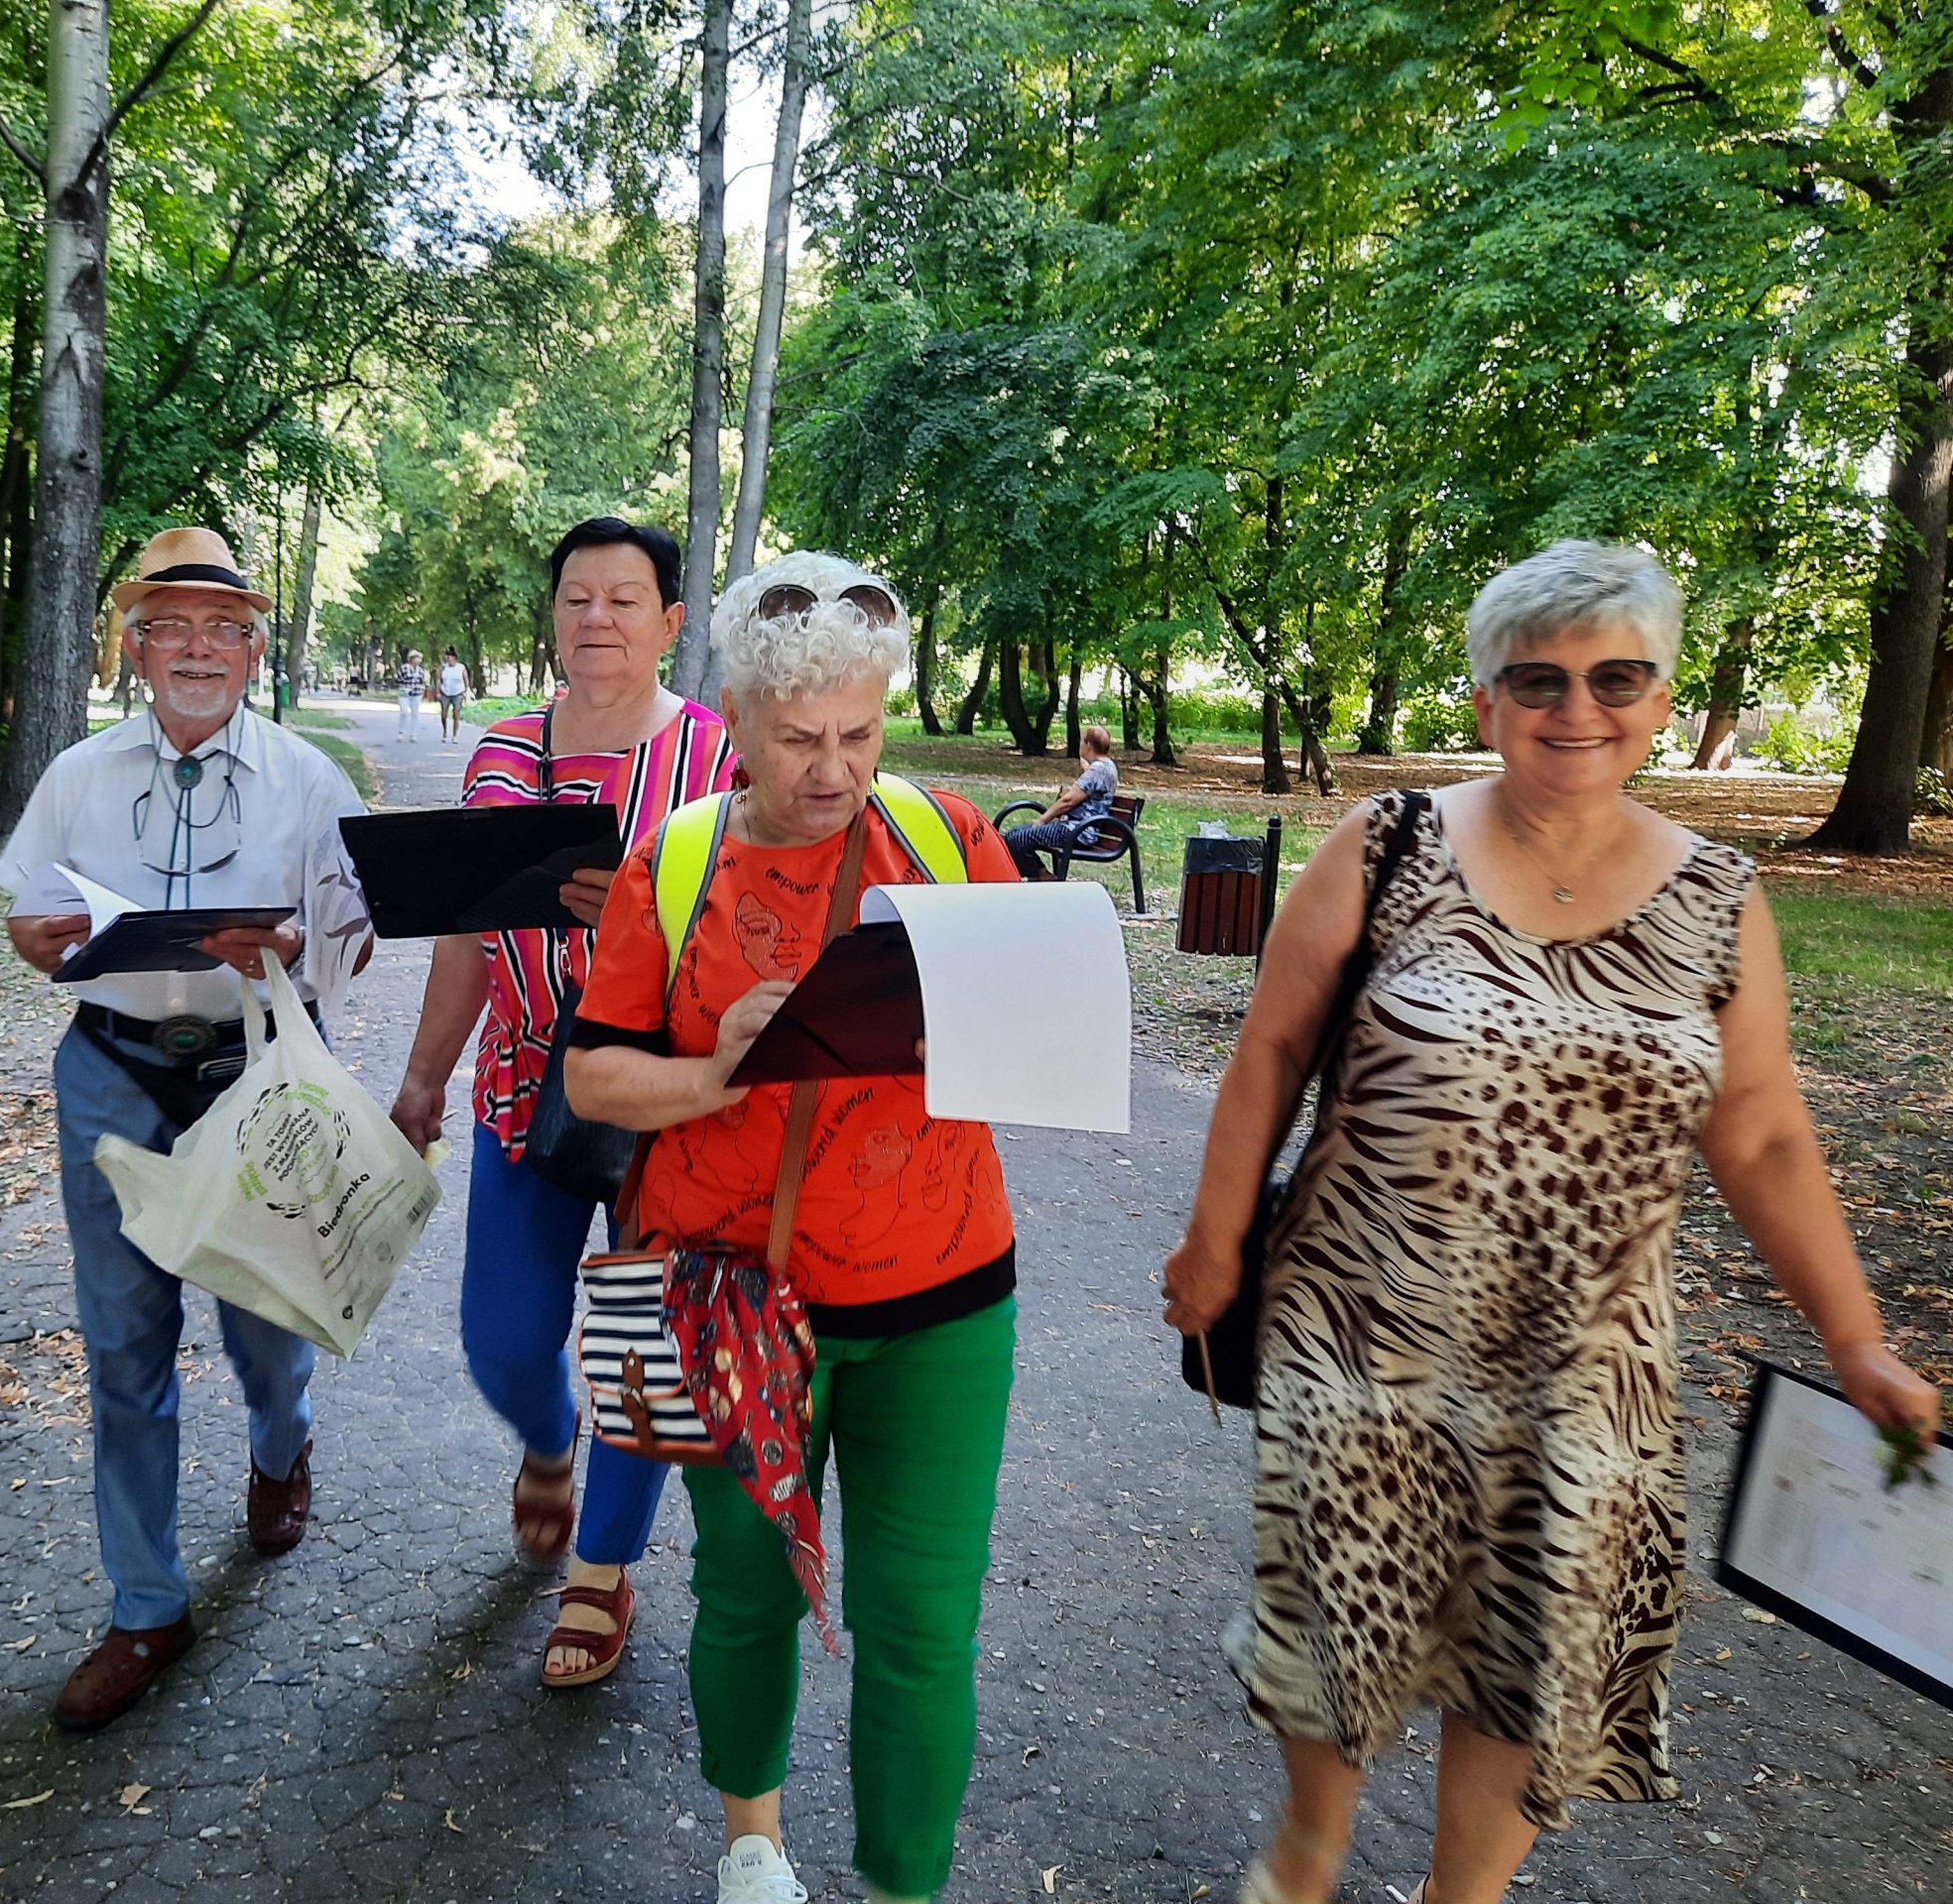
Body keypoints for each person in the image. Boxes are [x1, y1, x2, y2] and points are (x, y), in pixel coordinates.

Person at [1159, 540, 1941, 1904]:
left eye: (1616, 677)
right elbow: (1272, 1053)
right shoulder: (1388, 843)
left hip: (1589, 1356)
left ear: (1658, 694)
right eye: (1538, 680)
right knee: (1346, 1612)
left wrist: (1860, 1340)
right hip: (1371, 1323)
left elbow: (1759, 1133)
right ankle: (1306, 1857)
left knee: (1539, 1649)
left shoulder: (1718, 899)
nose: (1577, 708)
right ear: (1484, 701)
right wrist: (1216, 1242)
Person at [561, 551, 1025, 1904]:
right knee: (747, 1595)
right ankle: (752, 1847)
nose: (834, 770)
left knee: (924, 1627)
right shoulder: (681, 858)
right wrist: (720, 1069)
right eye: (800, 739)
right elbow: (595, 1076)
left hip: (944, 1302)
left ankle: (903, 1884)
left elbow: (1037, 1031)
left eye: (862, 735)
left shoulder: (945, 839)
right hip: (740, 1305)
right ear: (736, 724)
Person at [0, 526, 378, 1732]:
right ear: (135, 646)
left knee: (266, 1326)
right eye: (171, 625)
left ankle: (281, 1448)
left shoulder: (311, 783)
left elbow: (357, 935)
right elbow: (34, 915)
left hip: (255, 1077)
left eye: (223, 628)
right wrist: (31, 941)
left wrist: (296, 949)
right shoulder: (79, 775)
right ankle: (146, 1607)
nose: (196, 647)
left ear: (255, 651)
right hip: (110, 1075)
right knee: (123, 1349)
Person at [389, 518, 733, 1687]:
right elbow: (470, 938)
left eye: (624, 600)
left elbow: (754, 943)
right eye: (577, 597)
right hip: (523, 1086)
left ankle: (602, 1571)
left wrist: (636, 925)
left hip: (662, 1102)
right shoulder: (496, 758)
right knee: (503, 1338)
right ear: (553, 618)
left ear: (670, 623)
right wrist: (423, 1076)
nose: (597, 618)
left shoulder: (722, 767)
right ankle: (548, 1440)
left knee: (644, 1344)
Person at [1001, 723, 1120, 880]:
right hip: (1078, 827)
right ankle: (1042, 875)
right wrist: (1086, 768)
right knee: (1012, 835)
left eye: (1082, 741)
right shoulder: (1106, 766)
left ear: (1088, 745)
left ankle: (1041, 878)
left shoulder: (1098, 769)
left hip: (1077, 831)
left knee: (1018, 839)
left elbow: (1068, 801)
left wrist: (1043, 819)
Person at [436, 645, 470, 742]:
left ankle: (455, 735)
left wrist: (467, 690)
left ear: (454, 658)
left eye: (450, 657)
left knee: (456, 714)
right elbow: (438, 679)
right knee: (444, 714)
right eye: (447, 657)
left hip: (458, 693)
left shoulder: (461, 667)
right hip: (445, 693)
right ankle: (445, 732)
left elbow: (466, 679)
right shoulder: (443, 667)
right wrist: (438, 691)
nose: (448, 659)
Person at [397, 649, 427, 742]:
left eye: (420, 659)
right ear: (412, 658)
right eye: (418, 658)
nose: (419, 661)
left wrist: (422, 689)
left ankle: (414, 734)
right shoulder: (404, 668)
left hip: (416, 694)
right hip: (404, 694)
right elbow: (398, 679)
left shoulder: (421, 670)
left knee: (415, 714)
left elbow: (422, 681)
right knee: (404, 713)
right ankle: (401, 732)